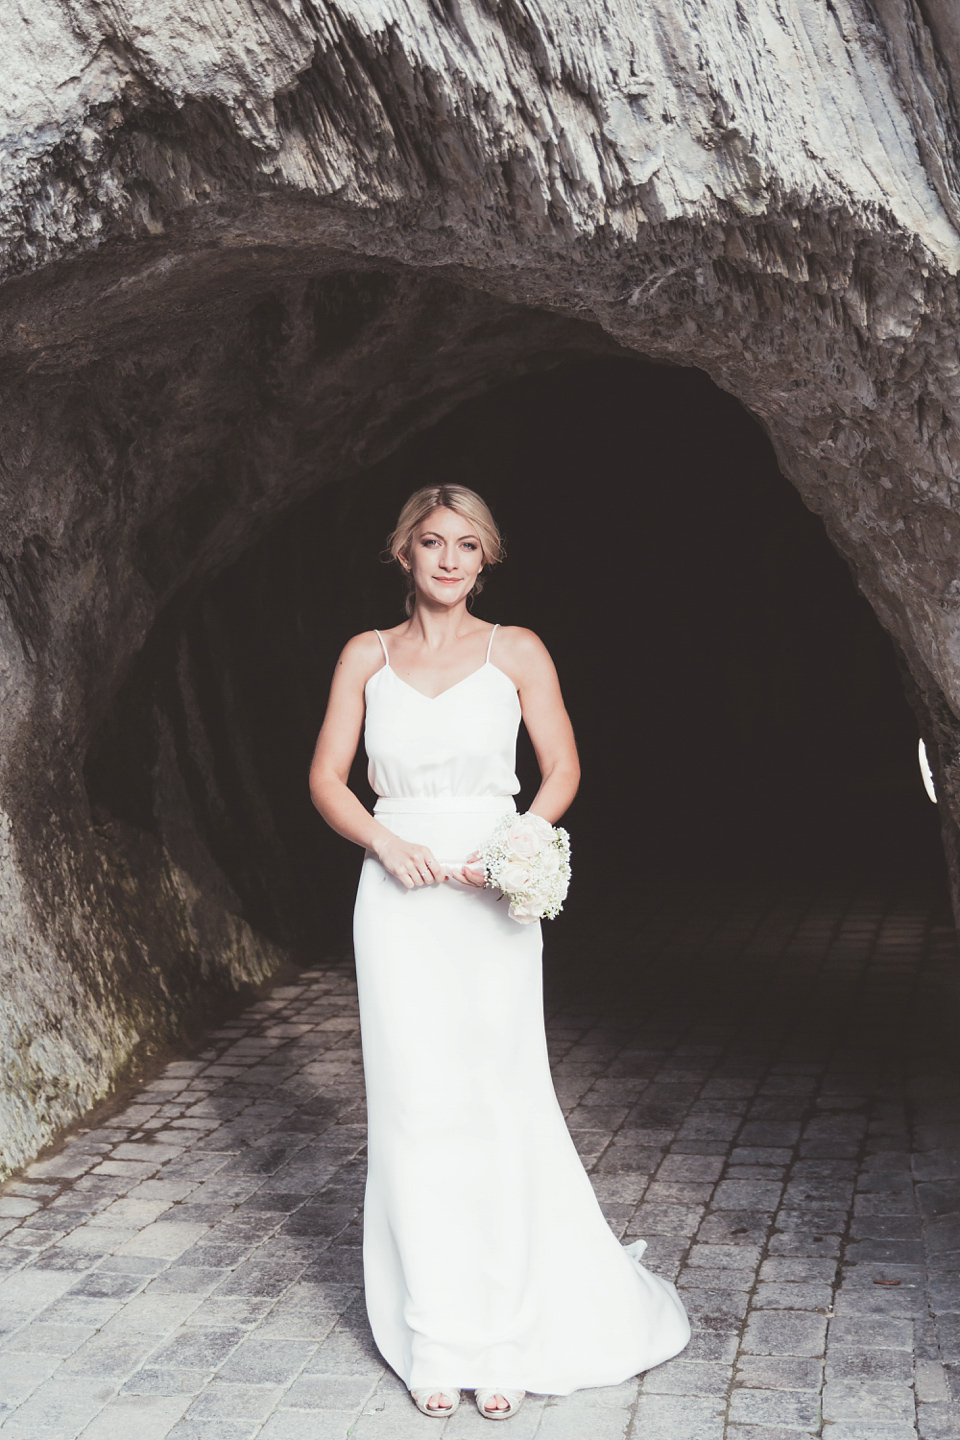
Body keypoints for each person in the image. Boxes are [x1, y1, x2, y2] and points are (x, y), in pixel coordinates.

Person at [309, 484, 689, 1421]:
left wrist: (510, 844)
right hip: (397, 896)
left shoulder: (515, 650)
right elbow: (325, 777)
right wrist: (382, 841)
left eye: (467, 546)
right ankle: (436, 1334)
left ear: (487, 560)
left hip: (489, 896)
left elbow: (561, 769)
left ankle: (508, 1333)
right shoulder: (366, 655)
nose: (449, 560)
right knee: (412, 1110)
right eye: (432, 542)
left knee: (495, 1100)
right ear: (403, 554)